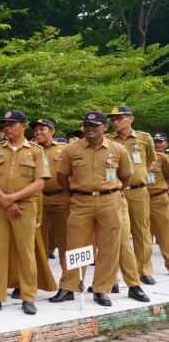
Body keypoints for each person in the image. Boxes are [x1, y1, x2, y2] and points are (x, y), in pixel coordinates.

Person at [50, 111, 149, 306]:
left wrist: (115, 192)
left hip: (109, 201)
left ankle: (101, 289)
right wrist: (72, 195)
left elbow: (126, 176)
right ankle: (69, 287)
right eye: (86, 125)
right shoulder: (72, 149)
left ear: (105, 127)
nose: (89, 129)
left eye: (94, 126)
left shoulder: (118, 149)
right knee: (76, 245)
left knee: (109, 247)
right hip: (81, 201)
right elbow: (61, 177)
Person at [0, 110, 48, 315]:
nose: (7, 127)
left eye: (12, 124)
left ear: (24, 126)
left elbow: (40, 182)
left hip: (24, 206)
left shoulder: (36, 151)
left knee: (26, 251)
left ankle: (28, 297)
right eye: (5, 124)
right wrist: (4, 200)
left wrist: (12, 198)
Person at [106, 106, 157, 284]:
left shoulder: (144, 138)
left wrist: (138, 175)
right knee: (115, 233)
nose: (115, 122)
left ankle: (144, 270)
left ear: (131, 119)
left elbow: (150, 161)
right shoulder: (107, 139)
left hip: (138, 191)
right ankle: (113, 275)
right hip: (115, 192)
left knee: (141, 230)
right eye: (113, 119)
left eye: (119, 118)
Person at [31, 118, 68, 265]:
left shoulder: (64, 149)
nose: (38, 132)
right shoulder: (30, 149)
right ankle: (38, 277)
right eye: (36, 130)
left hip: (62, 199)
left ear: (52, 131)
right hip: (39, 200)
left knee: (66, 239)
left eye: (42, 129)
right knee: (37, 240)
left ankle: (69, 279)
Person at [149, 132, 169, 273]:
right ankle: (143, 269)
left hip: (158, 198)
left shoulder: (163, 158)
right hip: (140, 198)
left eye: (160, 141)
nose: (157, 144)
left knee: (164, 233)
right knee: (143, 236)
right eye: (155, 141)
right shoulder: (142, 157)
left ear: (166, 143)